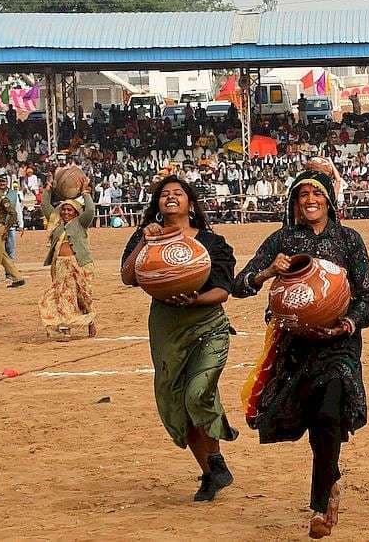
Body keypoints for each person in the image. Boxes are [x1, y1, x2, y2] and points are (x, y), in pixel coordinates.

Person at [233, 164, 369, 539]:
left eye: (316, 194)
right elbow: (240, 285)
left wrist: (346, 324)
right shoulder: (282, 240)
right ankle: (331, 479)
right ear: (295, 203)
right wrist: (268, 271)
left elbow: (368, 297)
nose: (310, 200)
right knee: (317, 425)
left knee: (330, 414)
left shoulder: (348, 240)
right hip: (294, 348)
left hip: (338, 344)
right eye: (303, 195)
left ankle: (318, 508)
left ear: (329, 200)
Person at [120, 176, 240, 502]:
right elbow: (128, 276)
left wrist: (196, 301)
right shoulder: (146, 237)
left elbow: (222, 291)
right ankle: (210, 471)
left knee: (197, 393)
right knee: (176, 401)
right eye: (164, 194)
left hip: (207, 326)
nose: (171, 197)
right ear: (158, 204)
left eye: (178, 193)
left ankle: (214, 460)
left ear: (190, 203)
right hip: (166, 328)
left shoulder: (212, 243)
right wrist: (145, 242)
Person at [38, 177, 97, 341]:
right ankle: (65, 328)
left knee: (83, 295)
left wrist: (85, 192)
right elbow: (45, 206)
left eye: (69, 210)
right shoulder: (56, 224)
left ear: (76, 213)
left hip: (80, 264)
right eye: (63, 210)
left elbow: (90, 211)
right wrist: (48, 189)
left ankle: (89, 320)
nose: (65, 212)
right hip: (61, 266)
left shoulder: (80, 223)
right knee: (63, 296)